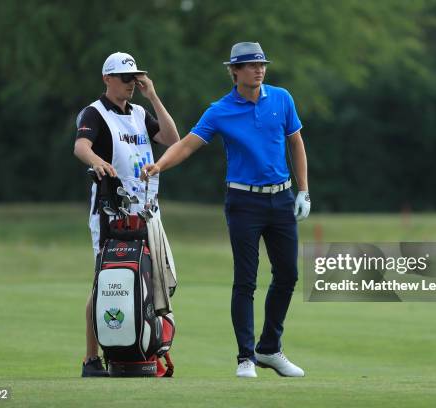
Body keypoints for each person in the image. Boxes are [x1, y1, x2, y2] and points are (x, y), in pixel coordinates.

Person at [142, 42, 310, 378]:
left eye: (261, 64)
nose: (258, 69)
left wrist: (303, 190)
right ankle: (246, 357)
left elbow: (296, 142)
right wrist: (159, 165)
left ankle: (269, 349)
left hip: (281, 198)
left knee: (288, 274)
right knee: (246, 280)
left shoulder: (282, 98)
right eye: (250, 65)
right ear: (234, 71)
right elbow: (188, 144)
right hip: (243, 202)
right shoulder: (220, 110)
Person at [73, 51, 180, 377]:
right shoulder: (95, 112)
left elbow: (172, 138)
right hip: (111, 212)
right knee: (104, 282)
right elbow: (81, 146)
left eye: (134, 77)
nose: (130, 83)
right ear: (107, 79)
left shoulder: (138, 112)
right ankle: (92, 359)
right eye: (124, 77)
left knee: (153, 280)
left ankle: (143, 349)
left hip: (147, 212)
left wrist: (153, 95)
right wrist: (97, 162)